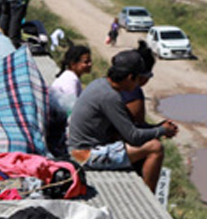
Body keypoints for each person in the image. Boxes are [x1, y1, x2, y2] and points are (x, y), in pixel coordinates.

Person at [67, 49, 179, 191]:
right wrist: (162, 130)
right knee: (155, 148)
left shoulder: (100, 84)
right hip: (85, 156)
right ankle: (149, 199)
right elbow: (133, 137)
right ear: (130, 77)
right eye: (138, 79)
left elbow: (128, 128)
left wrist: (157, 127)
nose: (138, 85)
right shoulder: (110, 97)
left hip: (81, 148)